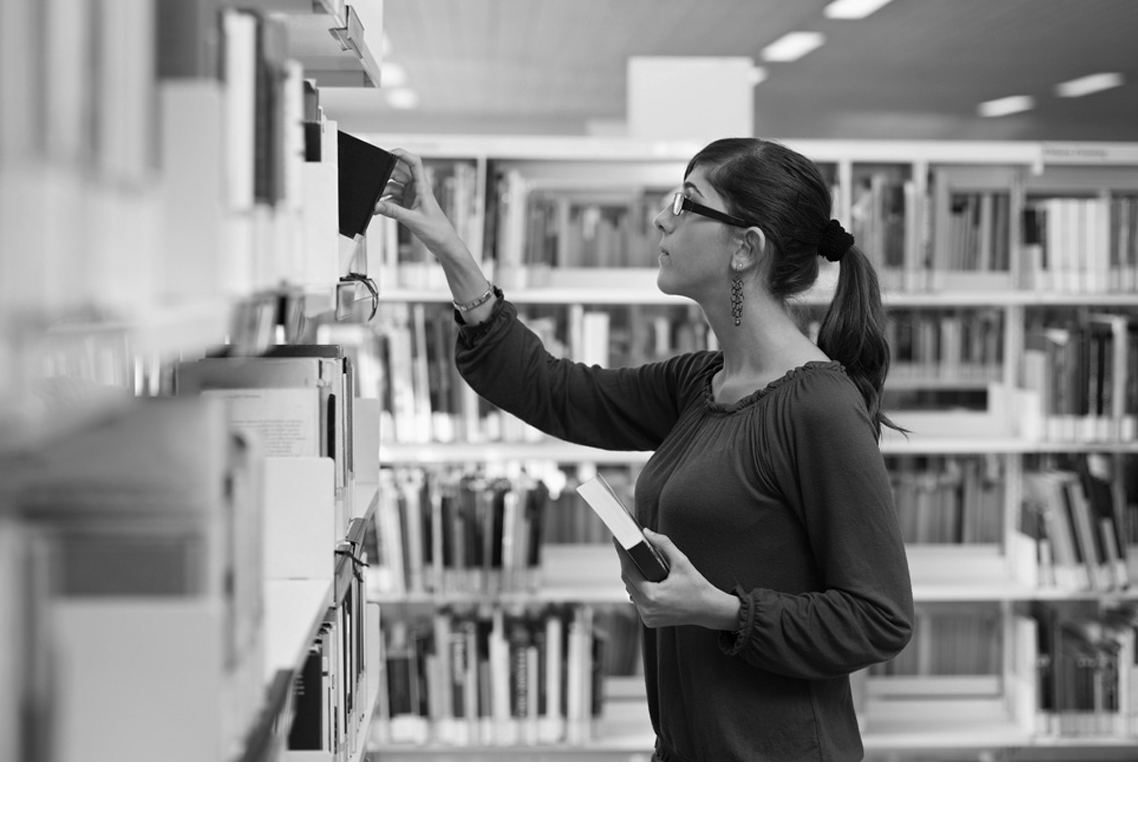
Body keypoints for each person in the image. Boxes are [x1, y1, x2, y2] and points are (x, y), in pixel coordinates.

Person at [375, 137, 914, 762]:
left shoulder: (819, 408)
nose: (663, 218)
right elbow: (558, 392)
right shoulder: (701, 384)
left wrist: (721, 610)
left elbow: (880, 618)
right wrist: (450, 250)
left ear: (746, 248)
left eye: (687, 203)